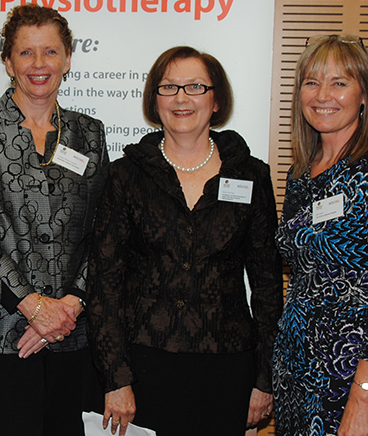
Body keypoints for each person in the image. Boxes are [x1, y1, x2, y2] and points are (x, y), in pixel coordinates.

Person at [87, 46, 282, 436]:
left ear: (216, 100)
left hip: (227, 367)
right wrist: (115, 377)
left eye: (194, 86)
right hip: (142, 366)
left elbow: (266, 286)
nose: (181, 98)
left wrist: (264, 379)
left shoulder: (250, 174)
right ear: (154, 101)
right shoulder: (127, 176)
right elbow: (103, 282)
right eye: (169, 87)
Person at [0, 3, 108, 436]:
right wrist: (32, 306)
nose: (39, 65)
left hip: (71, 334)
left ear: (68, 59)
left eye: (51, 52)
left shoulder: (89, 133)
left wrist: (69, 306)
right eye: (26, 53)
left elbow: (104, 231)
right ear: (7, 61)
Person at [273, 34, 368, 436]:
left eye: (339, 83)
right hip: (297, 365)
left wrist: (362, 395)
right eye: (311, 82)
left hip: (354, 372)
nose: (323, 95)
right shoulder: (300, 174)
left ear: (364, 94)